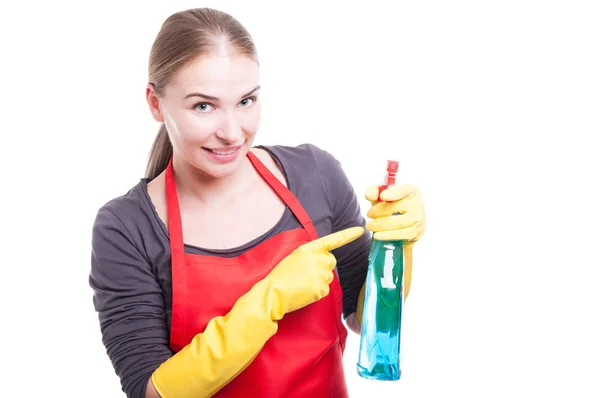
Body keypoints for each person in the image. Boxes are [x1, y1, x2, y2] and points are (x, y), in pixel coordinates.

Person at [89, 7, 426, 398]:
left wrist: (394, 246)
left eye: (246, 101)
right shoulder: (126, 229)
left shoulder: (315, 176)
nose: (232, 133)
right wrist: (268, 300)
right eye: (204, 106)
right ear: (155, 103)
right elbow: (148, 390)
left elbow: (364, 321)